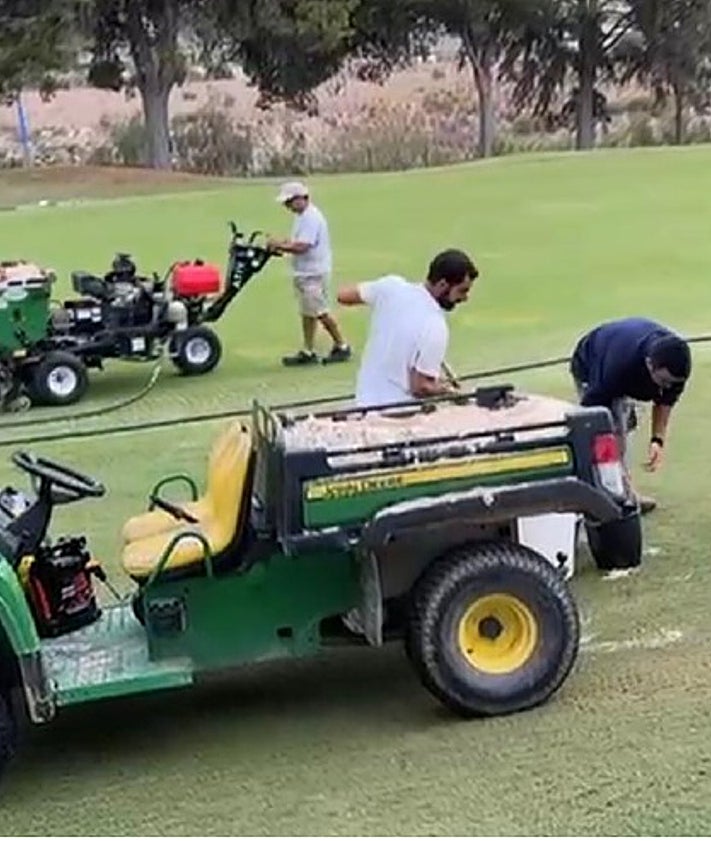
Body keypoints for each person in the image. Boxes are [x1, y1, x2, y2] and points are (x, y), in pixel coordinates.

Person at [570, 317, 692, 514]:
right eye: (663, 381)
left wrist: (657, 440)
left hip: (626, 363)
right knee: (611, 433)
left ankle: (623, 490)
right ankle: (613, 494)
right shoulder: (616, 370)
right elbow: (592, 420)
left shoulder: (675, 364)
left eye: (672, 383)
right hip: (591, 360)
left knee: (625, 426)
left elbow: (665, 402)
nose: (667, 387)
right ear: (649, 364)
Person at [337, 249, 478, 408]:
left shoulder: (391, 287)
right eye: (462, 291)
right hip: (399, 415)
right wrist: (451, 393)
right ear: (442, 285)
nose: (465, 298)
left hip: (364, 403)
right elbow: (421, 387)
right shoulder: (435, 325)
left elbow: (343, 296)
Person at [267, 181, 351, 367]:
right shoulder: (301, 217)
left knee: (320, 311)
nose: (287, 206)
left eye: (289, 201)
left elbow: (304, 246)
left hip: (314, 273)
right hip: (304, 272)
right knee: (307, 313)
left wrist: (280, 246)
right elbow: (297, 241)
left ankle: (342, 345)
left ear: (301, 199)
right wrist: (284, 243)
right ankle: (308, 350)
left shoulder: (312, 217)